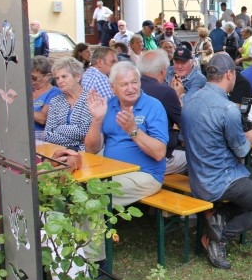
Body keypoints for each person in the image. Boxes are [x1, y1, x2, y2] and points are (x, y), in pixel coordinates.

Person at [182, 53, 252, 269]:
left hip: (198, 176)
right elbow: (241, 151)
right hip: (222, 179)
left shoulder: (189, 100)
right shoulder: (228, 109)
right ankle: (220, 237)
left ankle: (220, 216)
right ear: (229, 74)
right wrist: (247, 138)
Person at [85, 62, 168, 207]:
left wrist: (133, 131)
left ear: (140, 82)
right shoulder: (109, 105)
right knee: (76, 187)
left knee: (95, 196)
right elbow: (91, 150)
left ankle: (95, 230)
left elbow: (159, 153)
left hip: (146, 175)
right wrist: (96, 120)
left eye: (134, 82)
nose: (131, 88)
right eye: (124, 85)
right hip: (111, 172)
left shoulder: (153, 106)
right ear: (112, 88)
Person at [138, 50, 186, 175]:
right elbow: (184, 124)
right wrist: (177, 96)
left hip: (133, 153)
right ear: (163, 71)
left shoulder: (131, 87)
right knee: (194, 159)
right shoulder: (165, 91)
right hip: (157, 158)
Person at [45, 57, 92, 150]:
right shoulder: (55, 101)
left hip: (84, 152)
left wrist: (58, 128)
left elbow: (83, 132)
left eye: (64, 76)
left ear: (77, 77)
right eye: (57, 78)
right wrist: (77, 139)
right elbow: (47, 134)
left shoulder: (90, 99)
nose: (60, 81)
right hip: (57, 152)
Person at [31, 56, 61, 131]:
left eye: (34, 78)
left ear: (48, 76)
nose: (30, 80)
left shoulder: (55, 93)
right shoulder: (28, 90)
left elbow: (43, 119)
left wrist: (21, 109)